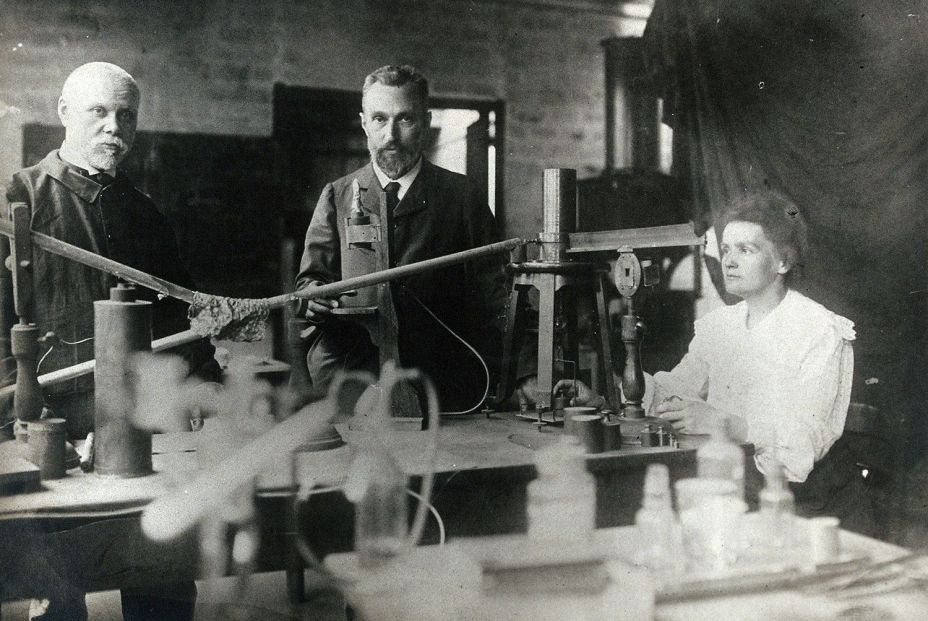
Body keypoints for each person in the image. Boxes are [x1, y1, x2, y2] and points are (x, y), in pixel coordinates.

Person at [0, 62, 217, 621]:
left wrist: (205, 388)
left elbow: (180, 317)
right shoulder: (18, 203)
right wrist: (22, 424)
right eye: (98, 112)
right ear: (65, 114)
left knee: (163, 575)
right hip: (53, 423)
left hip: (141, 425)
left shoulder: (145, 215)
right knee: (56, 588)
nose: (113, 127)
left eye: (126, 115)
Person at [559, 190, 855, 485]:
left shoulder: (818, 329)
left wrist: (724, 424)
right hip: (725, 478)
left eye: (746, 250)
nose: (729, 261)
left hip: (799, 497)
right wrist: (604, 400)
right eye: (725, 249)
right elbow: (673, 393)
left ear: (783, 262)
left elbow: (806, 441)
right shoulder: (721, 326)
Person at [294, 64, 511, 411]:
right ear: (365, 123)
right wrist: (311, 296)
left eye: (405, 119)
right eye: (379, 119)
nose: (390, 135)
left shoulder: (462, 196)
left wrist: (524, 372)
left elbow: (498, 296)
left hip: (442, 387)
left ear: (425, 122)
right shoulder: (337, 196)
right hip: (353, 384)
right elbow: (311, 281)